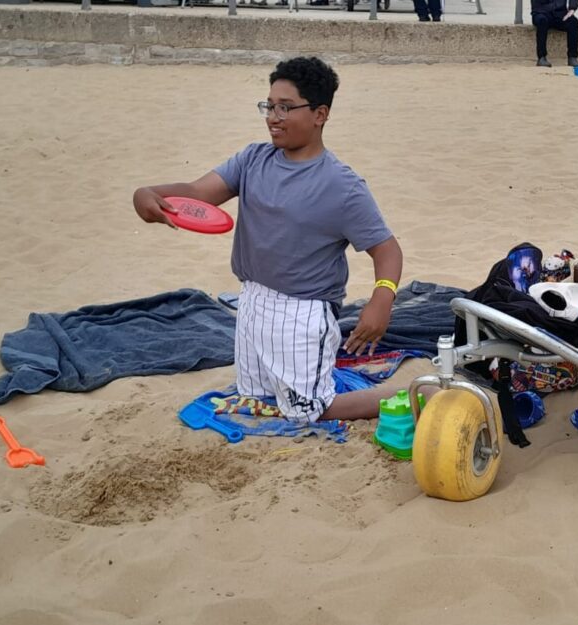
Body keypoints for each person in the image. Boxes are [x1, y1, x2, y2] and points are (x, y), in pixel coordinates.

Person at [132, 57, 407, 424]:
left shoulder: (341, 184)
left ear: (319, 114)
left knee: (308, 411)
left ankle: (409, 394)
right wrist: (147, 193)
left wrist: (382, 298)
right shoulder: (252, 159)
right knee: (256, 398)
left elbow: (386, 248)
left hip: (303, 313)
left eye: (285, 108)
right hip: (252, 301)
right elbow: (198, 192)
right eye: (269, 106)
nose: (273, 117)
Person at [531, 0, 578, 67]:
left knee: (573, 22)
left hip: (560, 13)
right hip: (541, 12)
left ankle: (572, 57)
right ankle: (541, 57)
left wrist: (572, 8)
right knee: (542, 21)